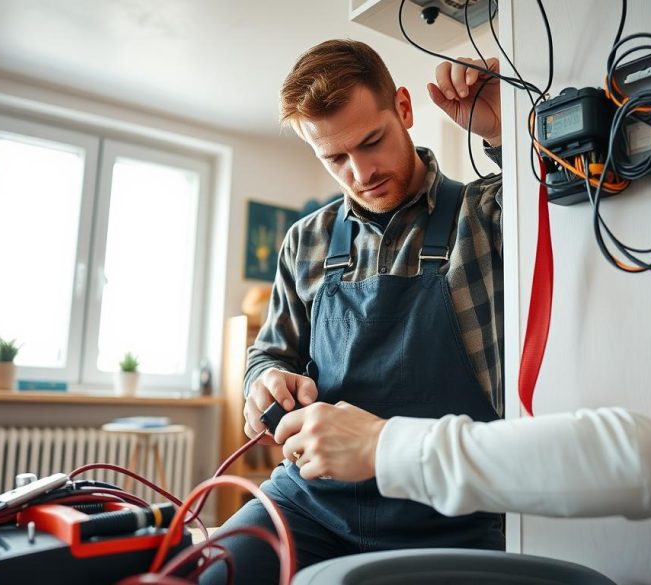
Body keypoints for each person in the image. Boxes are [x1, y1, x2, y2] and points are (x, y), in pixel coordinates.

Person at [200, 39, 507, 585]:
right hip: (313, 505)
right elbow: (269, 351)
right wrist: (263, 381)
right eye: (335, 158)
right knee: (209, 572)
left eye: (372, 142)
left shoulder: (487, 215)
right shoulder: (304, 242)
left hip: (451, 514)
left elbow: (563, 202)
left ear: (404, 110)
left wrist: (502, 132)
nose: (361, 172)